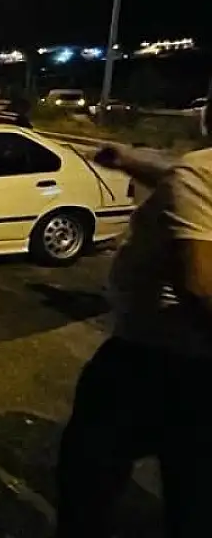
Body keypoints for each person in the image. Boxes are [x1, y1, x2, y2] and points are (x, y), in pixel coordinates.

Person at [55, 81, 212, 537]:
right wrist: (125, 159)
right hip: (186, 364)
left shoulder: (200, 171)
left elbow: (201, 287)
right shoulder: (192, 174)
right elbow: (177, 177)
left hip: (156, 359)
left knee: (88, 474)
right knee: (194, 484)